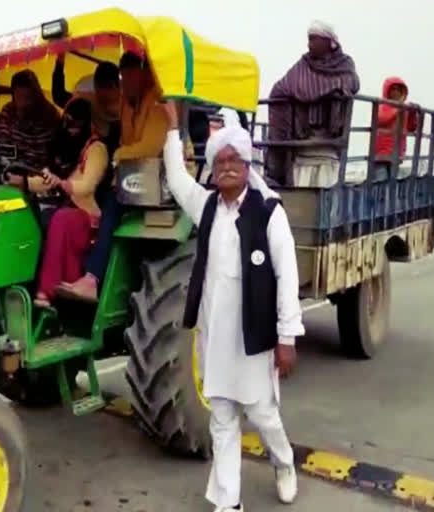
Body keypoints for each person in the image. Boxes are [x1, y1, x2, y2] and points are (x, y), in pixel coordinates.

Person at [163, 100, 304, 512]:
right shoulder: (206, 207)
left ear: (246, 165)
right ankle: (229, 504)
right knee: (222, 419)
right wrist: (172, 128)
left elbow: (287, 277)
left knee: (263, 416)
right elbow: (176, 179)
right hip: (216, 341)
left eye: (234, 159)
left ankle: (284, 463)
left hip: (256, 340)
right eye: (219, 160)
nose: (226, 166)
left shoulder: (268, 213)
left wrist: (287, 337)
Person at [58, 51, 168, 302]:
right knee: (99, 197)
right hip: (136, 176)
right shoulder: (126, 104)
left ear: (144, 76)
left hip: (163, 179)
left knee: (112, 201)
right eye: (123, 80)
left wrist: (118, 154)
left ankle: (93, 277)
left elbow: (150, 147)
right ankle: (80, 273)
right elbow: (73, 98)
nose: (126, 85)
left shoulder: (156, 105)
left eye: (131, 79)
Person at [29, 98, 108, 308]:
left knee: (61, 218)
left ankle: (47, 291)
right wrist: (23, 182)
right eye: (68, 123)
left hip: (88, 216)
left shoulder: (96, 149)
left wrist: (63, 184)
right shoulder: (62, 148)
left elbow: (88, 185)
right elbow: (43, 180)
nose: (72, 129)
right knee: (34, 219)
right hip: (62, 209)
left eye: (77, 124)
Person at [266, 21, 360, 187]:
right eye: (309, 39)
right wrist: (319, 92)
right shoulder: (303, 65)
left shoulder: (344, 64)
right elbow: (280, 89)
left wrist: (331, 90)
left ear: (329, 42)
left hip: (328, 145)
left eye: (314, 39)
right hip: (303, 145)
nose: (309, 44)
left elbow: (351, 82)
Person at [52, 54, 122, 155]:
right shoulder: (89, 100)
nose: (102, 93)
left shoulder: (133, 105)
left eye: (107, 87)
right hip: (94, 153)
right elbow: (59, 96)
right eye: (99, 87)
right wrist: (59, 63)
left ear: (117, 86)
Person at [0, 69, 61, 173]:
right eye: (19, 96)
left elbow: (53, 154)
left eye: (27, 97)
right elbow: (2, 145)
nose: (23, 102)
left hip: (41, 175)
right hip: (13, 171)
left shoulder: (50, 115)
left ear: (36, 94)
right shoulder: (8, 112)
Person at [374, 77, 420, 181]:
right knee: (381, 183)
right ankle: (380, 197)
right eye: (393, 89)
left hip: (396, 153)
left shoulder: (404, 109)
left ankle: (387, 197)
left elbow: (411, 128)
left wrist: (412, 114)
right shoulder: (382, 106)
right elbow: (381, 119)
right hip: (381, 154)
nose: (396, 92)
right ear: (387, 90)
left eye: (399, 89)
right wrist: (398, 110)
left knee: (391, 182)